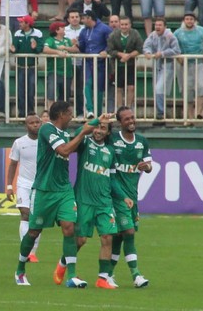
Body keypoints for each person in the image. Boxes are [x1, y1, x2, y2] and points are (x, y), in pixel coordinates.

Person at [15, 101, 106, 287]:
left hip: (64, 190)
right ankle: (20, 270)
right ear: (62, 114)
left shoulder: (64, 133)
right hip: (44, 190)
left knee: (69, 228)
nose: (72, 117)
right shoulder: (46, 129)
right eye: (70, 113)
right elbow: (64, 151)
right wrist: (82, 133)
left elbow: (78, 132)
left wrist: (98, 120)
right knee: (33, 231)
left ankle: (71, 275)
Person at [70, 120, 132, 289]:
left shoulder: (110, 151)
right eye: (97, 127)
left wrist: (123, 196)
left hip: (104, 202)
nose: (98, 130)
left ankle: (102, 279)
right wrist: (93, 122)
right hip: (84, 201)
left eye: (102, 128)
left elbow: (112, 179)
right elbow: (75, 134)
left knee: (107, 238)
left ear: (108, 133)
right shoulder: (84, 143)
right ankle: (64, 263)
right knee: (80, 240)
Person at [107, 106, 152, 288]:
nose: (131, 121)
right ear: (120, 122)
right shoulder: (113, 140)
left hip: (133, 196)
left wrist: (146, 167)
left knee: (119, 236)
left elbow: (149, 165)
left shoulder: (142, 142)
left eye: (133, 117)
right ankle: (136, 275)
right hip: (117, 195)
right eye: (127, 119)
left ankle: (107, 274)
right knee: (129, 233)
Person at [6, 114, 42, 263]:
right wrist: (9, 186)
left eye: (37, 122)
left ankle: (32, 252)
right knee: (25, 213)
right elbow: (13, 164)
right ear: (26, 126)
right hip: (24, 184)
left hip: (40, 185)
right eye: (31, 123)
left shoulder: (46, 142)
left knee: (37, 218)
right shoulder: (19, 143)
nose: (35, 125)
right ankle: (26, 251)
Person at [173, 12, 203, 125]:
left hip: (199, 63)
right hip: (184, 64)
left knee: (201, 86)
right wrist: (178, 57)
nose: (189, 21)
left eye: (191, 19)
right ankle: (190, 118)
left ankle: (198, 113)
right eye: (187, 19)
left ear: (194, 21)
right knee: (187, 90)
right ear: (184, 20)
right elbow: (172, 45)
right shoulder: (178, 32)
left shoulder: (201, 30)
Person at [143, 18, 181, 123]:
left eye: (160, 25)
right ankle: (160, 112)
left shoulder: (170, 36)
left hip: (167, 65)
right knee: (158, 89)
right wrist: (147, 52)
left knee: (159, 88)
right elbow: (147, 45)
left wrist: (163, 53)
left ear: (165, 26)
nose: (157, 27)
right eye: (156, 25)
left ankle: (161, 112)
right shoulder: (153, 35)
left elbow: (177, 50)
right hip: (156, 65)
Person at [78, 10, 112, 118]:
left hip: (100, 63)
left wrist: (106, 51)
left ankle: (98, 112)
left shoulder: (104, 28)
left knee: (99, 87)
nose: (82, 21)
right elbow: (82, 47)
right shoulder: (83, 31)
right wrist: (77, 44)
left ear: (89, 18)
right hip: (88, 62)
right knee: (87, 84)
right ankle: (90, 110)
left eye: (83, 18)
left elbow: (111, 43)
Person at [107, 16, 143, 109]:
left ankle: (128, 108)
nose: (124, 26)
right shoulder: (113, 35)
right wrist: (121, 54)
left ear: (130, 25)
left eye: (126, 24)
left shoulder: (135, 34)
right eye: (122, 24)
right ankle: (120, 109)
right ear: (119, 24)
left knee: (131, 87)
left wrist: (129, 56)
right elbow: (110, 50)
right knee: (118, 88)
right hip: (117, 66)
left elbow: (139, 49)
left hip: (131, 65)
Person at [11, 15, 43, 117]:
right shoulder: (17, 33)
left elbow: (40, 48)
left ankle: (30, 113)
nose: (19, 24)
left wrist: (35, 48)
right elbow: (15, 48)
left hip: (32, 67)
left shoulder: (38, 33)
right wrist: (13, 49)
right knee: (20, 92)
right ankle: (21, 114)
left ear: (27, 24)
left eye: (22, 22)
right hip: (20, 67)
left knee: (31, 92)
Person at [43, 21, 75, 109]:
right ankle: (50, 113)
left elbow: (75, 49)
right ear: (57, 30)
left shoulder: (67, 40)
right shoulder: (50, 40)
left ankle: (63, 114)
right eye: (62, 28)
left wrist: (66, 48)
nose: (64, 29)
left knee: (65, 95)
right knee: (51, 93)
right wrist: (57, 52)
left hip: (67, 72)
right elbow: (45, 49)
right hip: (54, 71)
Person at [64, 9, 85, 117]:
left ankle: (80, 112)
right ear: (68, 19)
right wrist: (72, 47)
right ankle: (66, 113)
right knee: (66, 89)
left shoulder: (84, 29)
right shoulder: (64, 30)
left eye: (76, 17)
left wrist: (76, 45)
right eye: (72, 17)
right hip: (68, 63)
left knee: (79, 89)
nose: (75, 19)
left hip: (81, 63)